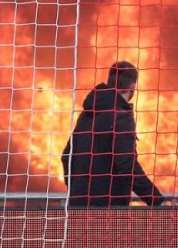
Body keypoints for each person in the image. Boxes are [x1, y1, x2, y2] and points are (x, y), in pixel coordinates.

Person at [61, 61, 169, 207]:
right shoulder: (121, 117)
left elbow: (66, 156)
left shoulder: (87, 114)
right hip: (108, 210)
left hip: (76, 207)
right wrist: (156, 200)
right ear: (132, 88)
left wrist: (76, 191)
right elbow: (127, 167)